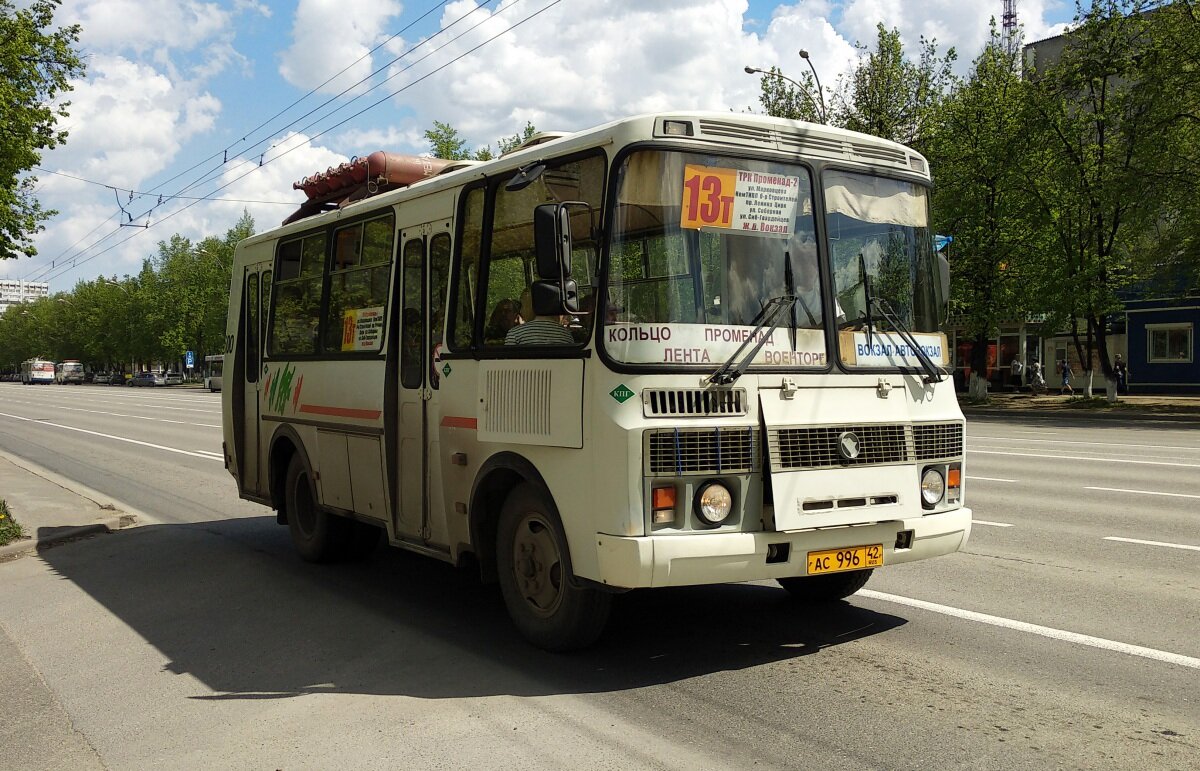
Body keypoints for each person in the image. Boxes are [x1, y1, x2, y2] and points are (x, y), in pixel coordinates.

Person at [505, 288, 574, 346]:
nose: (520, 311)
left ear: (529, 307)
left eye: (522, 306)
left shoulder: (514, 334)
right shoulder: (566, 335)